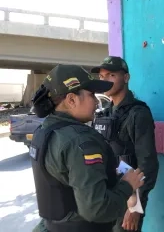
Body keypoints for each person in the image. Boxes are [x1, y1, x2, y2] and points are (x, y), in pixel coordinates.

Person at [30, 64, 144, 232]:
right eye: (91, 95)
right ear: (71, 100)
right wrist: (128, 186)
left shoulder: (45, 131)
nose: (97, 101)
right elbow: (97, 209)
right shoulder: (79, 140)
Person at [91, 56, 159, 232]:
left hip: (129, 196)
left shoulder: (138, 113)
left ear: (126, 78)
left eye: (111, 75)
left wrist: (135, 208)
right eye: (102, 76)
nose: (105, 80)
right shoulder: (102, 114)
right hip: (106, 194)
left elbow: (148, 164)